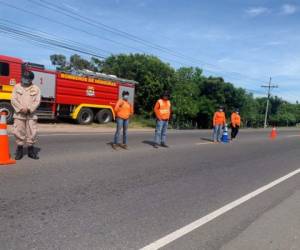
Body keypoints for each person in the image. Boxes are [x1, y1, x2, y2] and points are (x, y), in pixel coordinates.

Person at [11, 70, 41, 160]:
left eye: (28, 79)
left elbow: (37, 101)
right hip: (19, 114)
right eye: (24, 78)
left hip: (31, 115)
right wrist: (21, 108)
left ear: (31, 79)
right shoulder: (16, 87)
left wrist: (29, 109)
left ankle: (31, 151)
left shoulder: (36, 88)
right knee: (18, 131)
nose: (25, 80)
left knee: (32, 132)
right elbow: (13, 99)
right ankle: (19, 150)